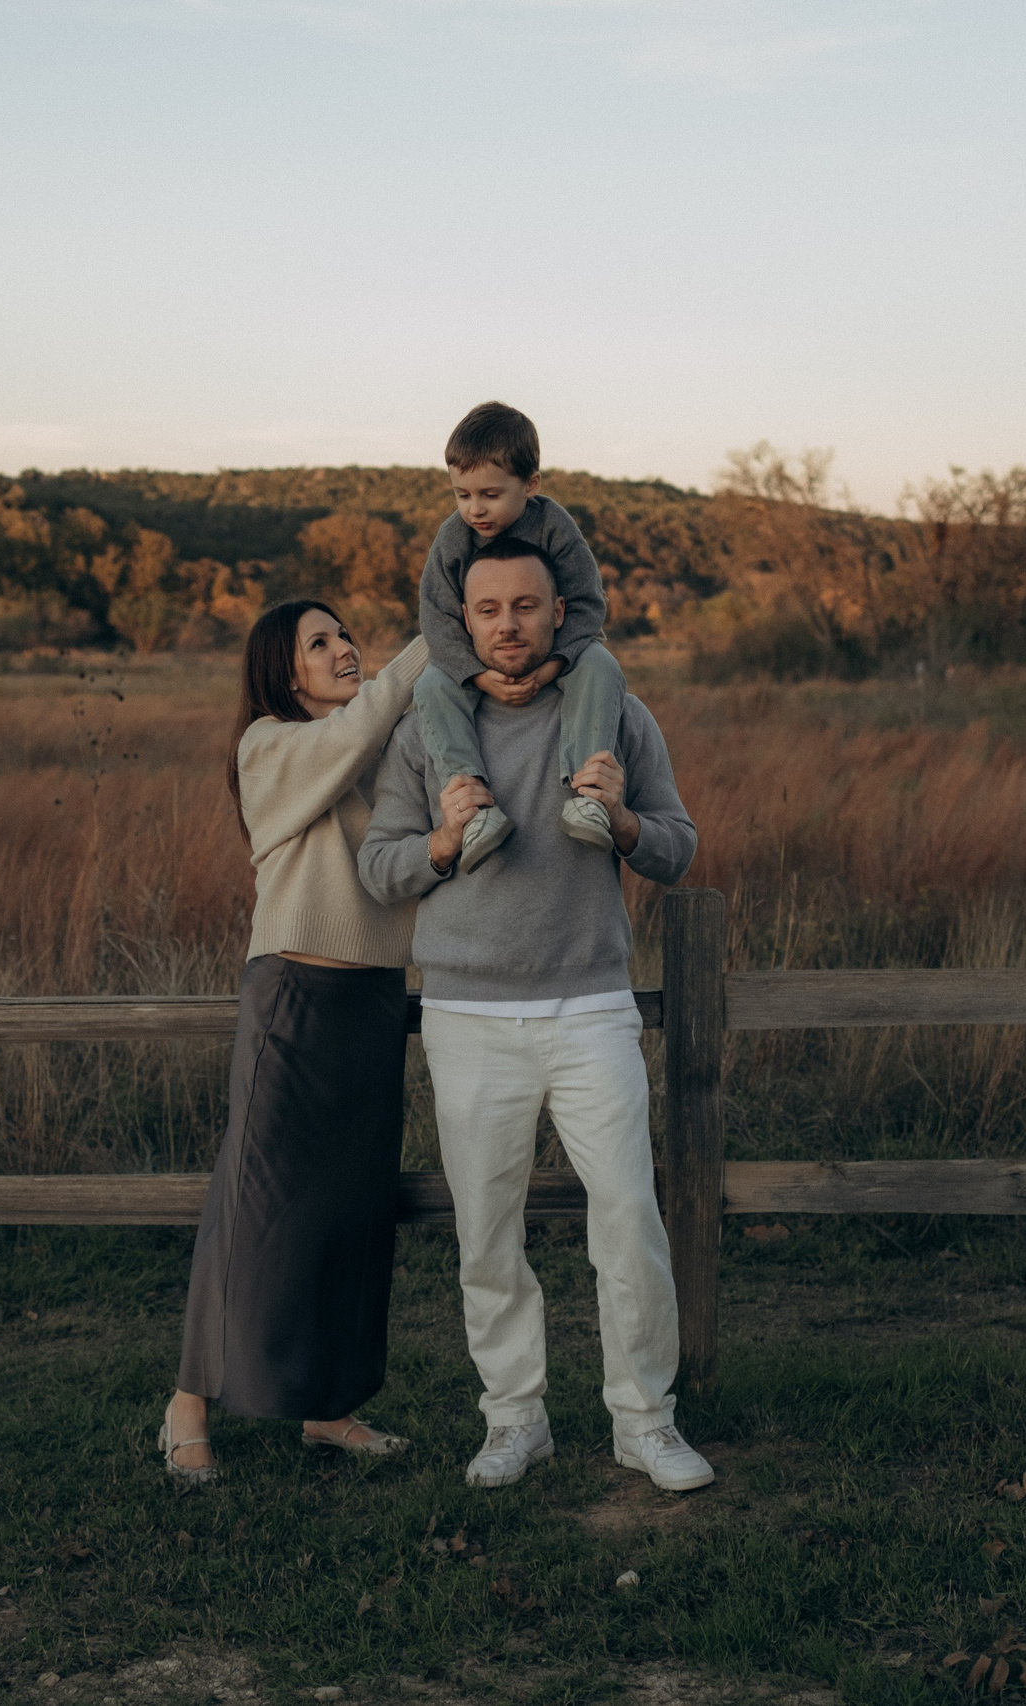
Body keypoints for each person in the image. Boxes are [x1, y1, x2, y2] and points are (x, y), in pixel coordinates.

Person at [358, 541, 715, 1493]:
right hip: (468, 1014)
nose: (507, 625)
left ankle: (646, 1421)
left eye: (526, 606)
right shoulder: (425, 730)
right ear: (463, 620)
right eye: (488, 610)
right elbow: (379, 865)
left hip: (590, 1005)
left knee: (631, 1217)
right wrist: (440, 842)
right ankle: (515, 1421)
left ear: (560, 612)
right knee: (486, 1231)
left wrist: (627, 823)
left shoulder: (615, 716)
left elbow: (678, 846)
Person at [162, 602, 429, 1485]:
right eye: (320, 643)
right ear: (285, 674)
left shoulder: (377, 745)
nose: (345, 649)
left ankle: (330, 1409)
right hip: (295, 997)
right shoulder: (272, 746)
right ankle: (188, 1403)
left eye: (345, 635)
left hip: (375, 999)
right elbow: (349, 738)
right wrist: (436, 639)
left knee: (353, 1211)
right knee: (253, 1206)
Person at [415, 401, 631, 873]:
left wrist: (555, 665)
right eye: (462, 494)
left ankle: (587, 797)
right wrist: (477, 677)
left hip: (555, 656)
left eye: (490, 494)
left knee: (601, 664)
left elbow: (587, 603)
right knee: (430, 684)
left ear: (530, 485)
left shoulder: (554, 526)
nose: (475, 509)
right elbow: (436, 618)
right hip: (479, 666)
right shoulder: (454, 538)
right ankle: (472, 809)